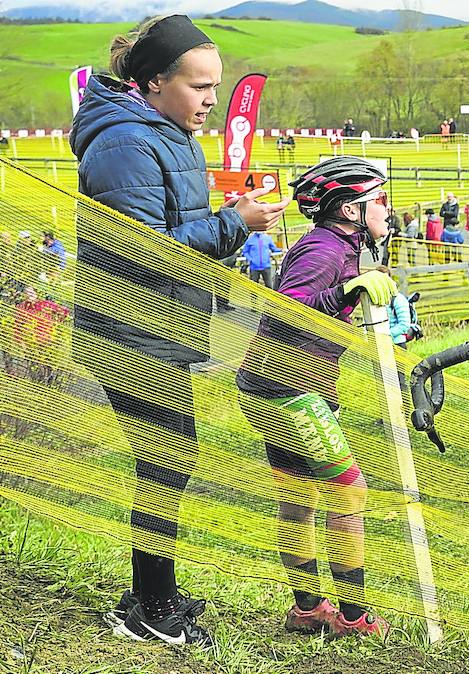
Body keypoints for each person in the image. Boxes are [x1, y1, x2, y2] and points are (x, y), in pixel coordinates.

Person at [71, 14, 288, 647]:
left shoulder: (169, 135)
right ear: (152, 81)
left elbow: (182, 241)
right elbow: (143, 250)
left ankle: (152, 592)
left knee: (169, 461)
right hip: (126, 331)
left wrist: (237, 226)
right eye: (199, 87)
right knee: (166, 462)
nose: (212, 101)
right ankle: (147, 607)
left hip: (162, 326)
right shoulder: (123, 144)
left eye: (216, 87)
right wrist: (235, 224)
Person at [236, 156, 395, 639]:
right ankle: (353, 616)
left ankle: (307, 610)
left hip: (272, 384)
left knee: (298, 497)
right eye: (379, 202)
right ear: (350, 211)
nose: (387, 213)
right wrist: (348, 290)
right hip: (287, 389)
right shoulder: (325, 251)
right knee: (349, 492)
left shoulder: (333, 246)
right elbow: (287, 308)